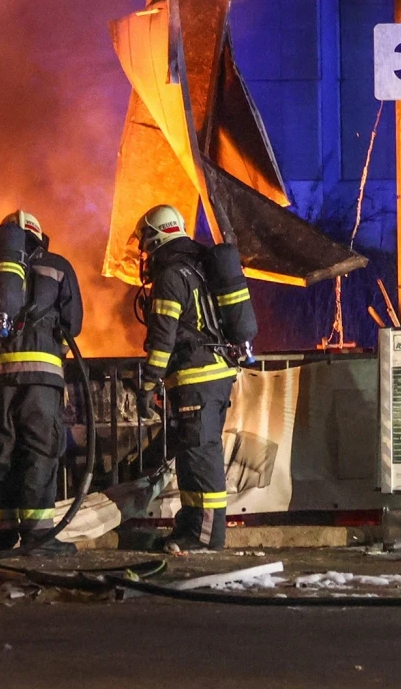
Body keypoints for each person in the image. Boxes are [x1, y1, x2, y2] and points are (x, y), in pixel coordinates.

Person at [0, 210, 83, 554]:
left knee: (1, 449)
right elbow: (73, 323)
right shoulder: (58, 266)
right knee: (39, 449)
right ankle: (37, 534)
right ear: (38, 235)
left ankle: (2, 531)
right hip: (41, 377)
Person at [135, 205, 239, 553]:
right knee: (194, 455)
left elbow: (163, 338)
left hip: (197, 376)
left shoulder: (170, 275)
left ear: (155, 236)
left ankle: (206, 536)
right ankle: (191, 528)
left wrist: (149, 383)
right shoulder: (198, 265)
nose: (145, 252)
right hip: (214, 372)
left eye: (146, 243)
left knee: (200, 455)